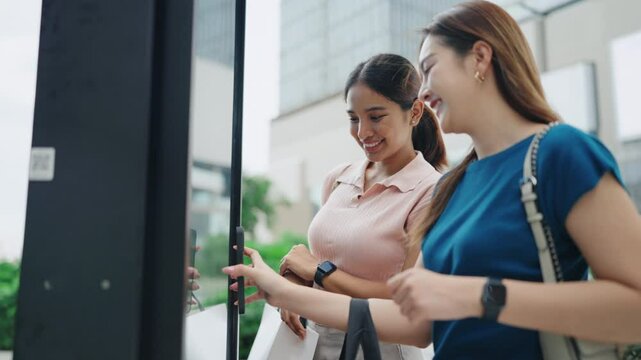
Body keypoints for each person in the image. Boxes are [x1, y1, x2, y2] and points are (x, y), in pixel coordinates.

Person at [224, 1, 641, 359]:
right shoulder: (456, 184)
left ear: (480, 58)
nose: (421, 94)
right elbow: (416, 320)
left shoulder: (560, 152)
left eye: (429, 68)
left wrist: (476, 296)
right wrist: (279, 290)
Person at [277, 53, 447, 360]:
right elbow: (321, 256)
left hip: (381, 348)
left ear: (415, 112)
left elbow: (405, 299)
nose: (362, 132)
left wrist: (319, 271)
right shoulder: (338, 179)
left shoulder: (431, 191)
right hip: (315, 345)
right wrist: (294, 284)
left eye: (376, 117)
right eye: (354, 118)